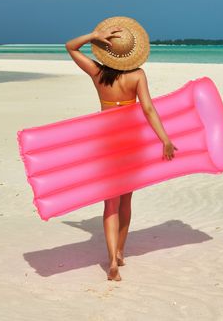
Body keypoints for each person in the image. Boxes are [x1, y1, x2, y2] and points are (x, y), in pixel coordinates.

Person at [65, 16, 178, 281]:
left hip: (105, 143)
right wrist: (165, 139)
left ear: (107, 51)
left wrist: (94, 35)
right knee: (126, 199)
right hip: (130, 143)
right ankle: (119, 254)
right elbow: (148, 109)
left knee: (110, 204)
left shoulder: (97, 73)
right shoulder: (138, 75)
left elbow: (70, 47)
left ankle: (111, 262)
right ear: (131, 53)